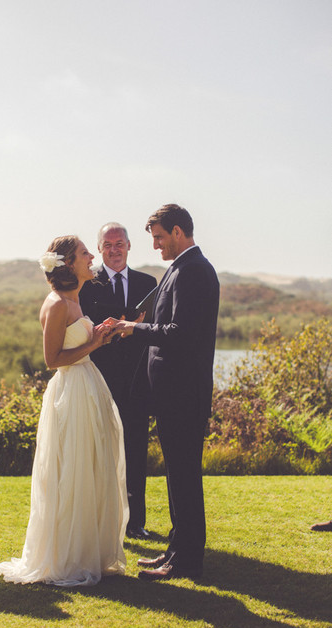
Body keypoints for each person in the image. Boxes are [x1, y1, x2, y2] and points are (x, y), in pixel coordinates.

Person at [0, 235, 129, 587]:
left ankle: (89, 551)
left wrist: (100, 333)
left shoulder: (74, 299)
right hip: (71, 392)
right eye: (85, 253)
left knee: (92, 468)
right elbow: (53, 360)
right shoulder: (56, 304)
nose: (92, 257)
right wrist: (94, 341)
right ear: (69, 263)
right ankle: (67, 557)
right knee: (73, 469)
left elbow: (79, 344)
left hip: (88, 386)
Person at [106, 204, 219, 581]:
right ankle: (175, 550)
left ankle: (186, 561)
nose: (155, 246)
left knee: (184, 477)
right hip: (172, 395)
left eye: (159, 238)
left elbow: (180, 334)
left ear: (177, 232)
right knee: (176, 476)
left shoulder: (195, 271)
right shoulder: (180, 268)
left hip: (184, 394)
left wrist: (134, 329)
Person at [79, 223, 157, 539]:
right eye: (108, 244)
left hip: (138, 381)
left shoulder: (148, 284)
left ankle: (135, 522)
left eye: (119, 243)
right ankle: (102, 522)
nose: (114, 249)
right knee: (100, 452)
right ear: (99, 248)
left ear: (129, 245)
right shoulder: (86, 284)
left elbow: (152, 330)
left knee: (136, 451)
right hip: (99, 380)